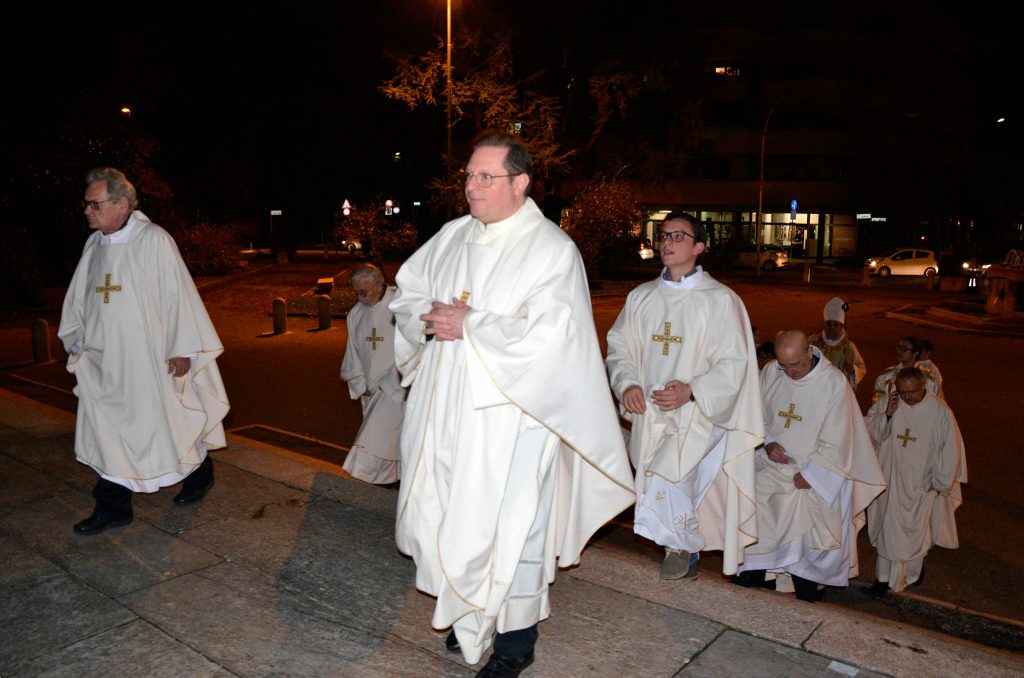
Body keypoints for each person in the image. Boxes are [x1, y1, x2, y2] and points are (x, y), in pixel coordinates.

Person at [388, 132, 634, 676]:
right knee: (442, 513)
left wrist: (472, 324)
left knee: (511, 526)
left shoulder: (551, 250)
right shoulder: (452, 236)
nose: (471, 187)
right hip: (443, 406)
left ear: (520, 183)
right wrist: (427, 318)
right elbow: (407, 294)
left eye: (485, 177)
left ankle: (515, 643)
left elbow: (556, 338)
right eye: (468, 176)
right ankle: (468, 614)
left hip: (511, 417)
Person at [58, 167, 230, 535]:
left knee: (166, 424)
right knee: (107, 431)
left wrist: (182, 349)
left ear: (122, 204)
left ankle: (199, 474)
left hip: (147, 358)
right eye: (86, 204)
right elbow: (79, 299)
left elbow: (178, 296)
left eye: (95, 204)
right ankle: (113, 507)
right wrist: (77, 337)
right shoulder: (94, 245)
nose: (87, 210)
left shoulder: (154, 240)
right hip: (103, 362)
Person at [606, 212, 762, 582]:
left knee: (670, 474)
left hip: (699, 412)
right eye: (663, 235)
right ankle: (684, 545)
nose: (667, 242)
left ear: (699, 247)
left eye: (678, 236)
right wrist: (627, 384)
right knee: (661, 478)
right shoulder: (641, 298)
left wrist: (693, 390)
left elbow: (735, 361)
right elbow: (620, 348)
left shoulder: (720, 300)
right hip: (651, 410)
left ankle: (679, 548)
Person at [733, 330, 885, 601]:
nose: (789, 373)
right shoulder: (772, 372)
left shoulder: (833, 383)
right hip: (772, 472)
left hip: (811, 477)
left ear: (809, 351)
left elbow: (841, 437)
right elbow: (756, 415)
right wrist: (767, 443)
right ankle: (747, 594)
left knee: (807, 548)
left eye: (795, 365)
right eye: (784, 365)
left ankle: (806, 601)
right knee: (758, 535)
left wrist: (813, 475)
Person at [865, 367, 966, 595]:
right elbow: (869, 431)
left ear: (923, 387)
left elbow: (951, 450)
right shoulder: (891, 403)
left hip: (921, 486)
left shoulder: (940, 412)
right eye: (902, 392)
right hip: (891, 481)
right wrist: (887, 416)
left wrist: (940, 483)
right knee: (888, 532)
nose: (907, 397)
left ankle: (911, 573)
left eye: (911, 392)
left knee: (914, 533)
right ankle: (882, 579)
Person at [339, 263, 404, 485]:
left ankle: (367, 478)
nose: (360, 298)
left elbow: (415, 346)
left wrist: (391, 382)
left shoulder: (402, 305)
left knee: (373, 438)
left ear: (379, 284)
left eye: (364, 292)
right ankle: (393, 482)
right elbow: (352, 353)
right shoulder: (356, 314)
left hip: (397, 386)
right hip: (371, 389)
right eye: (356, 292)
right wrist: (360, 383)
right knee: (390, 441)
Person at [808, 296, 867, 390]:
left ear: (841, 326)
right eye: (829, 324)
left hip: (837, 390)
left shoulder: (849, 347)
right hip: (815, 387)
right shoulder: (813, 341)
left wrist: (853, 369)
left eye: (835, 325)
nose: (831, 328)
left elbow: (861, 367)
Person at [871, 336, 942, 404]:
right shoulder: (886, 376)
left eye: (904, 349)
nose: (899, 351)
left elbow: (936, 404)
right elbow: (877, 404)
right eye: (899, 347)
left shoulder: (928, 378)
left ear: (915, 353)